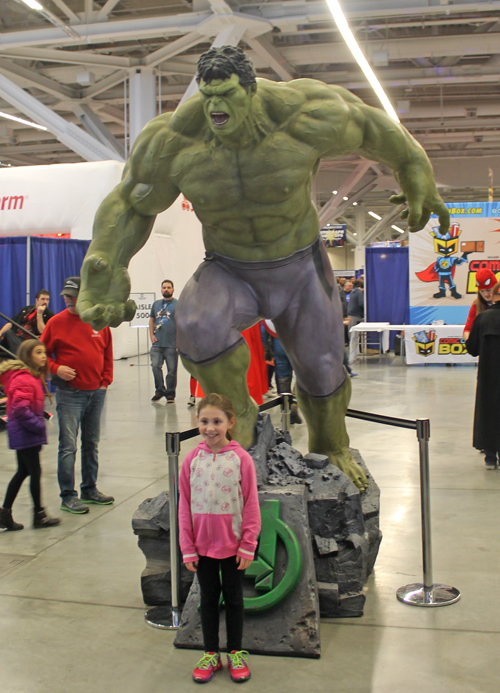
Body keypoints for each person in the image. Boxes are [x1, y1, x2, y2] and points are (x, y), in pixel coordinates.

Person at [76, 45, 449, 493]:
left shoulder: (303, 115)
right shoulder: (176, 140)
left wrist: (415, 170)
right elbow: (130, 204)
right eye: (208, 95)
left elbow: (373, 127)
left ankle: (332, 447)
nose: (215, 107)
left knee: (323, 365)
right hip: (229, 268)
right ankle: (243, 424)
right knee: (194, 324)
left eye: (227, 94)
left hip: (298, 266)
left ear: (249, 90)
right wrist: (106, 270)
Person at [179, 393, 260, 683]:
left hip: (233, 547)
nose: (210, 428)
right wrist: (188, 548)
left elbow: (251, 504)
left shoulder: (242, 459)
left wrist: (248, 544)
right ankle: (211, 653)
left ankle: (235, 652)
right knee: (209, 599)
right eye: (204, 421)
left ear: (230, 422)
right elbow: (184, 506)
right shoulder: (191, 460)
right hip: (201, 549)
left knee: (235, 600)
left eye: (217, 421)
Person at [41, 277, 114, 514]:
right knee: (68, 446)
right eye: (66, 295)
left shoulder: (97, 322)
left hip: (96, 394)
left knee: (91, 443)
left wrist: (104, 383)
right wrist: (55, 369)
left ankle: (89, 489)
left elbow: (107, 355)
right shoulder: (55, 323)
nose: (68, 299)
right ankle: (68, 495)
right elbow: (41, 355)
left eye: (73, 295)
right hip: (69, 394)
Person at [0, 340, 60, 530]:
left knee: (24, 471)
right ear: (28, 356)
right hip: (26, 433)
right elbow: (19, 408)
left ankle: (5, 514)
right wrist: (37, 425)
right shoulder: (23, 378)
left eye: (44, 352)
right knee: (34, 471)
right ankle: (39, 515)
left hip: (25, 432)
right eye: (38, 352)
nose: (43, 356)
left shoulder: (30, 376)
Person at [466, 281, 500, 469]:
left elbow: (471, 349)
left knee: (487, 410)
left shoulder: (483, 318)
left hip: (488, 374)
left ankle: (490, 456)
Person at [0, 289, 54, 356]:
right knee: (9, 333)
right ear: (36, 300)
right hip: (16, 337)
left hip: (30, 341)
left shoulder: (49, 314)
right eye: (43, 299)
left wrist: (39, 314)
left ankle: (21, 356)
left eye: (47, 299)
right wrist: (1, 332)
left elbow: (43, 331)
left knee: (9, 341)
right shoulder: (26, 309)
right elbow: (11, 322)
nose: (45, 302)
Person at [150, 280, 178, 403]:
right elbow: (151, 320)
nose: (166, 289)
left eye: (168, 287)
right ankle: (159, 390)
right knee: (155, 366)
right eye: (164, 287)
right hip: (157, 343)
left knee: (171, 370)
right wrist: (151, 334)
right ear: (161, 289)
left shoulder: (178, 304)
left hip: (172, 344)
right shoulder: (156, 304)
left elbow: (182, 323)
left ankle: (170, 393)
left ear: (173, 289)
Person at [463, 268, 497, 340]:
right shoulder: (476, 305)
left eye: (488, 290)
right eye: (482, 291)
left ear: (496, 287)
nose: (486, 294)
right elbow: (467, 330)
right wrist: (471, 343)